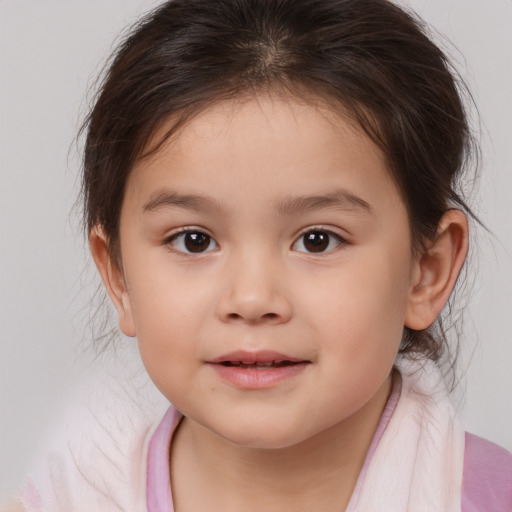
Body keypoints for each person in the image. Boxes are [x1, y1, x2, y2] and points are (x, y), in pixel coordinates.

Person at [10, 0, 512, 510]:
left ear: (426, 272)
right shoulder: (66, 498)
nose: (252, 299)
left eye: (318, 239)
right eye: (194, 240)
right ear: (118, 275)